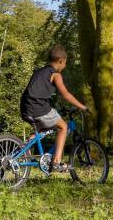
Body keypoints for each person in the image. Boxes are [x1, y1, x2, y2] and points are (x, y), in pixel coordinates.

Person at [20, 44, 87, 173]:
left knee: (40, 129)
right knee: (63, 126)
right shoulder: (55, 74)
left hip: (25, 107)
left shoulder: (39, 71)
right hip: (39, 107)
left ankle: (22, 152)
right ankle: (56, 162)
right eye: (65, 63)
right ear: (61, 61)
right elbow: (66, 95)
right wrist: (82, 107)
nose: (65, 66)